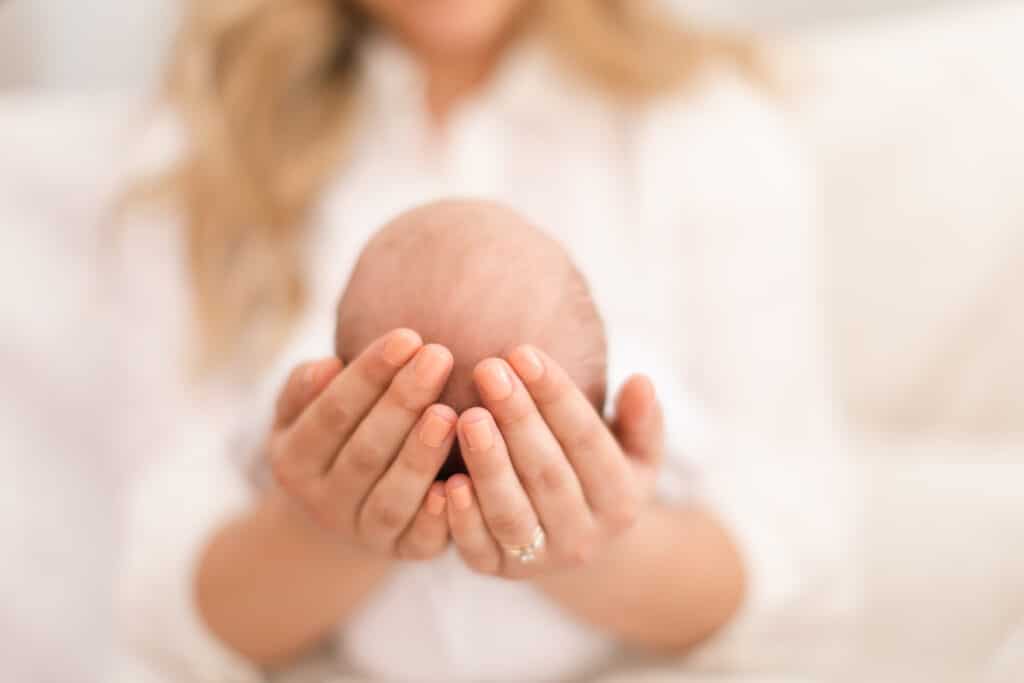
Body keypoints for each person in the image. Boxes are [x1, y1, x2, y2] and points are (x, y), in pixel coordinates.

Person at [113, 1, 853, 681]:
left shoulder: (705, 125)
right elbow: (154, 584)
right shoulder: (204, 145)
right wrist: (330, 529)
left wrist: (592, 539)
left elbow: (798, 549)